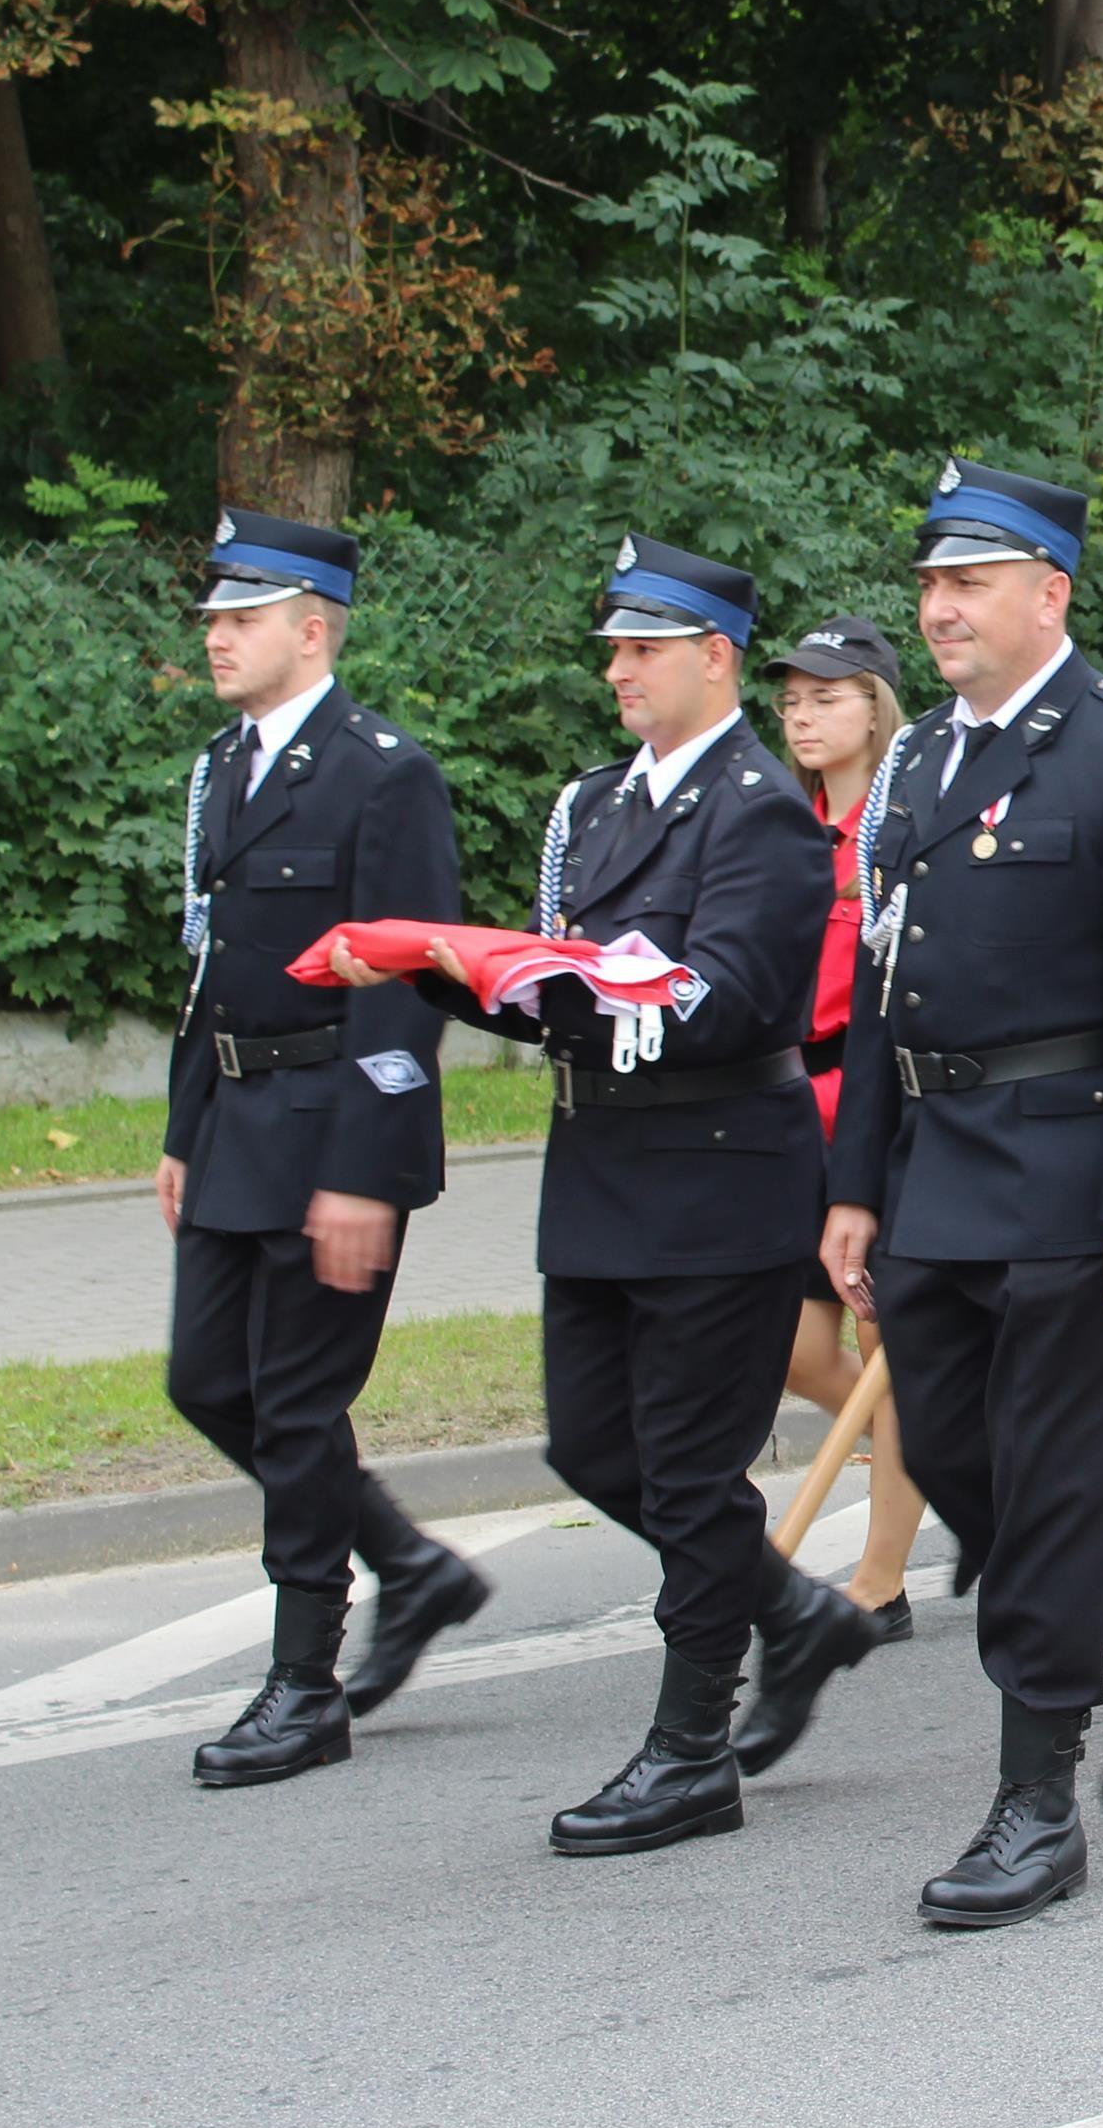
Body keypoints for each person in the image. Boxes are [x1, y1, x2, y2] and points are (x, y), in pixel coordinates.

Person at [340, 533, 875, 1851]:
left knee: (692, 1476)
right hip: (599, 1170)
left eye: (645, 646)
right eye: (615, 647)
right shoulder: (595, 802)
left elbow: (726, 997)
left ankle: (693, 1746)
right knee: (591, 1445)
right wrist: (445, 967)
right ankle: (794, 1611)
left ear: (716, 656)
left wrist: (551, 975)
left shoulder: (758, 804)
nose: (621, 669)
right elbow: (564, 991)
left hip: (713, 1173)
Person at [819, 460, 1103, 1929]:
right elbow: (886, 985)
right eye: (931, 582)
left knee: (1056, 1483)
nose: (940, 606)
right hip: (937, 1170)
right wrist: (855, 1181)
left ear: (1049, 592)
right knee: (958, 1459)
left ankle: (1032, 1798)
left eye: (971, 580)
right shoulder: (926, 759)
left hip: (1074, 1167)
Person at [160, 507, 482, 1788]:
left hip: (330, 1129)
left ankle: (304, 1682)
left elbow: (408, 986)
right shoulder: (226, 769)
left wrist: (364, 1170)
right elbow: (206, 974)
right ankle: (411, 1563)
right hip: (238, 1123)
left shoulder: (379, 771)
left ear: (311, 626)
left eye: (240, 619)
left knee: (295, 1408)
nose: (217, 639)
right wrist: (183, 1130)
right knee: (205, 1383)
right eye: (214, 621)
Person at [766, 619, 927, 1639]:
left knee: (887, 1343)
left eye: (826, 696)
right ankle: (943, 1453)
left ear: (874, 704)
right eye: (790, 701)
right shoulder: (774, 825)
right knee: (790, 1343)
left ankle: (880, 1575)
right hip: (784, 1104)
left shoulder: (901, 823)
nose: (804, 716)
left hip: (872, 1100)